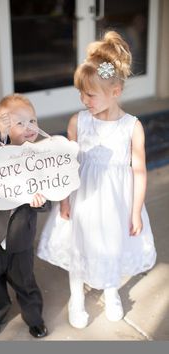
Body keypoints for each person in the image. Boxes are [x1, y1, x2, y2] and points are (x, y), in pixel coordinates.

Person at [37, 31, 156, 328]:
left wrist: (135, 209)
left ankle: (111, 289)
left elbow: (139, 170)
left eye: (90, 94)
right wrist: (63, 199)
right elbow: (68, 164)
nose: (83, 99)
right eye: (81, 93)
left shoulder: (132, 127)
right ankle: (76, 295)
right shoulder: (79, 122)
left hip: (116, 201)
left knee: (112, 244)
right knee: (80, 244)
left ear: (115, 91)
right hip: (83, 198)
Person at [0, 93, 50, 338]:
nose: (29, 128)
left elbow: (51, 185)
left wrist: (41, 200)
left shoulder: (38, 157)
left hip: (20, 235)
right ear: (2, 126)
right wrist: (2, 137)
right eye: (20, 123)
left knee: (25, 280)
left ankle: (34, 317)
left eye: (33, 121)